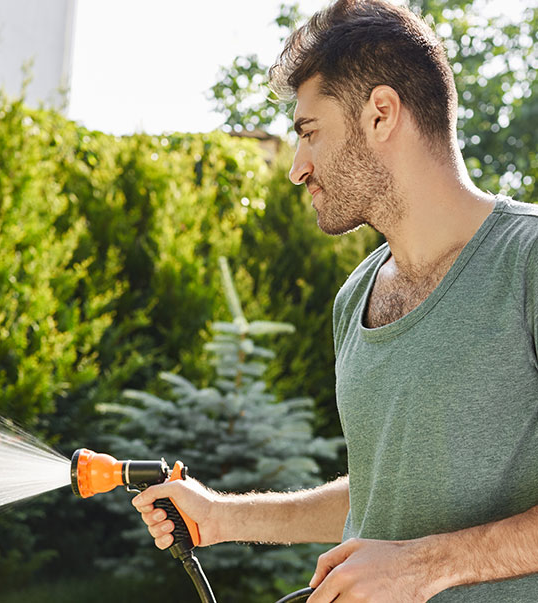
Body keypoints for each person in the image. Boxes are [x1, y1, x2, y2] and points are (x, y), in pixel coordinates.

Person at [131, 1, 538, 601]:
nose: (297, 168)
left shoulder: (525, 261)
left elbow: (412, 556)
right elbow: (383, 492)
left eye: (308, 132)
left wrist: (419, 567)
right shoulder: (355, 298)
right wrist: (221, 517)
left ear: (380, 115)